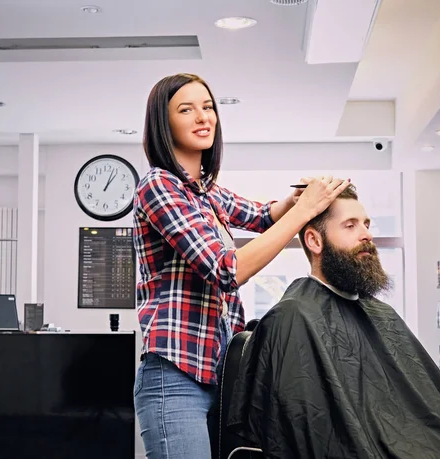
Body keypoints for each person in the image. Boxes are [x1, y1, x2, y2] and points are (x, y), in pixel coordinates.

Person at [227, 184, 440, 458]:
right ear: (314, 241)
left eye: (366, 223)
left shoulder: (381, 314)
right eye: (350, 226)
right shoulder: (294, 316)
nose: (366, 234)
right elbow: (310, 430)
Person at [132, 72, 350, 459]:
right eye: (187, 109)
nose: (204, 117)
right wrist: (304, 212)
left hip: (221, 376)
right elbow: (226, 269)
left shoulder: (207, 193)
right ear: (164, 125)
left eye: (208, 107)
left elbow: (263, 215)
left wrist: (299, 197)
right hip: (175, 376)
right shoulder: (159, 185)